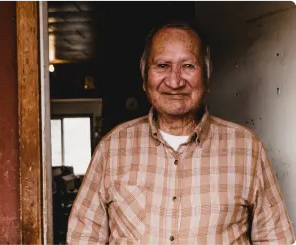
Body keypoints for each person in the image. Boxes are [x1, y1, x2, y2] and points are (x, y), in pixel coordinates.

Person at [66, 20, 295, 244]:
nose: (175, 81)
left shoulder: (246, 148)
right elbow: (84, 237)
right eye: (162, 66)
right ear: (145, 80)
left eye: (188, 66)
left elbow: (275, 238)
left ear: (206, 78)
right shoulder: (112, 147)